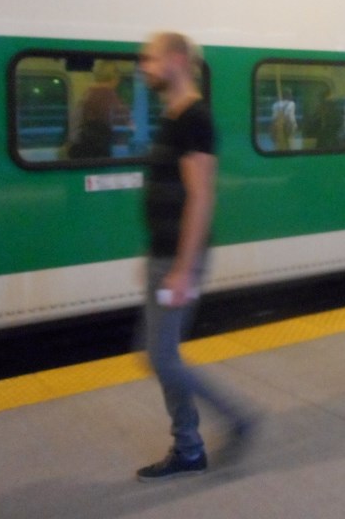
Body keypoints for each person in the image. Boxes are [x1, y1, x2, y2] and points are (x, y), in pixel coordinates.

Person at [136, 31, 255, 480]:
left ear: (177, 60)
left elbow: (200, 198)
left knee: (162, 357)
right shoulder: (173, 116)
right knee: (156, 354)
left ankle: (234, 420)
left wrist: (183, 268)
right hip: (162, 256)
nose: (143, 67)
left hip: (177, 262)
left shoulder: (195, 119)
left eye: (150, 59)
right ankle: (189, 447)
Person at [67, 60, 127, 158]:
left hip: (81, 153)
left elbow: (74, 134)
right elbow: (124, 125)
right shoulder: (111, 98)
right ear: (114, 79)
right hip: (100, 154)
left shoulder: (85, 96)